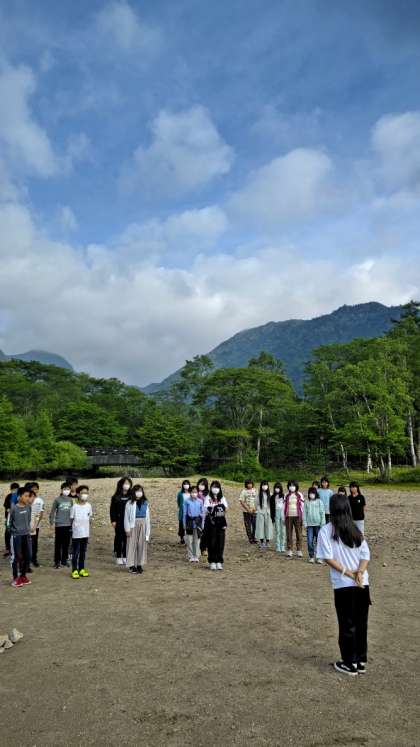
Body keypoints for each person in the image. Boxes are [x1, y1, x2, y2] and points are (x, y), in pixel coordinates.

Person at [316, 493, 371, 676]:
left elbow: (328, 558)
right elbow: (365, 556)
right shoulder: (356, 530)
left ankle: (350, 663)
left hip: (343, 585)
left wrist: (350, 573)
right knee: (361, 623)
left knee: (347, 624)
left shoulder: (326, 531)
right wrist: (360, 573)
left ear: (331, 509)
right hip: (363, 584)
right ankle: (360, 661)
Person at [8, 486, 34, 587]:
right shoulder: (13, 508)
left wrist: (27, 529)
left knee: (28, 556)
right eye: (25, 496)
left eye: (28, 496)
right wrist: (15, 531)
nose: (28, 498)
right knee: (17, 557)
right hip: (16, 536)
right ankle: (15, 578)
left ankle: (23, 576)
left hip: (26, 535)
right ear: (19, 496)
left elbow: (28, 520)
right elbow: (8, 524)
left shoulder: (28, 507)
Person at [124, 484, 151, 574]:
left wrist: (147, 532)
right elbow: (126, 517)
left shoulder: (145, 503)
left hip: (143, 525)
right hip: (133, 525)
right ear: (133, 492)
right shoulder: (129, 503)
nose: (139, 492)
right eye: (137, 491)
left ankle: (139, 564)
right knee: (131, 545)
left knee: (141, 545)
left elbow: (148, 518)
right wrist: (127, 529)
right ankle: (131, 565)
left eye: (140, 491)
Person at [204, 481, 228, 570]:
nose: (215, 489)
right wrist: (213, 510)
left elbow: (226, 508)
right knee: (212, 542)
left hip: (220, 522)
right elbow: (205, 509)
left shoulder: (222, 498)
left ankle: (219, 561)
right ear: (211, 488)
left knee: (220, 542)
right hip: (211, 522)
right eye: (214, 487)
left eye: (217, 487)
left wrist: (220, 511)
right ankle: (212, 561)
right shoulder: (208, 497)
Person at [70, 485, 92, 579]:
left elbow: (89, 517)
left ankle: (81, 569)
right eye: (83, 493)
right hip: (76, 533)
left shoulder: (89, 506)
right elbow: (71, 519)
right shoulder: (74, 506)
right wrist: (73, 529)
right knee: (75, 552)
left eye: (86, 493)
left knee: (83, 552)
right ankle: (74, 570)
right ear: (78, 494)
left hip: (85, 533)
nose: (85, 494)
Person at [50, 482, 73, 568]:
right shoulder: (57, 500)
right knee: (58, 544)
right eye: (65, 489)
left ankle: (64, 560)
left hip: (68, 524)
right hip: (59, 524)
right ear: (61, 490)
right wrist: (51, 520)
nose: (66, 490)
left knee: (66, 544)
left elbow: (73, 512)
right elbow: (53, 511)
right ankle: (57, 561)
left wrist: (73, 522)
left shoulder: (71, 500)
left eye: (68, 489)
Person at [110, 477, 132, 564]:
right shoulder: (115, 497)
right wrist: (113, 520)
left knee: (127, 538)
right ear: (121, 484)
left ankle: (125, 556)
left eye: (128, 483)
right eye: (125, 483)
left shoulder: (131, 496)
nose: (127, 485)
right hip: (119, 520)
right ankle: (119, 556)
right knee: (119, 538)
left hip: (128, 521)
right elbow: (112, 509)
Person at [303, 486, 325, 563]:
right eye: (310, 493)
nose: (311, 494)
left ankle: (319, 557)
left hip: (318, 525)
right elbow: (304, 513)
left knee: (319, 541)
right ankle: (311, 556)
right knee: (309, 541)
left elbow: (322, 513)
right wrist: (305, 523)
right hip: (309, 525)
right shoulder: (306, 502)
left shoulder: (319, 502)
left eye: (313, 493)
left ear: (316, 494)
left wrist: (322, 523)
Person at [182, 484, 203, 563]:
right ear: (190, 492)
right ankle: (190, 556)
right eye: (192, 492)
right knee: (189, 540)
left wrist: (202, 524)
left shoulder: (200, 501)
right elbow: (184, 513)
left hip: (197, 522)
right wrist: (184, 524)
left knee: (197, 540)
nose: (194, 493)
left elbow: (202, 513)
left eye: (195, 492)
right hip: (189, 522)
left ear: (198, 492)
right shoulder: (186, 501)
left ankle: (196, 556)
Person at [284, 480, 305, 558]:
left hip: (298, 516)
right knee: (289, 533)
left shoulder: (299, 495)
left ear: (296, 486)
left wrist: (303, 517)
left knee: (298, 533)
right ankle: (289, 549)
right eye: (290, 485)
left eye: (293, 485)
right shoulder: (286, 495)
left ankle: (299, 550)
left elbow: (302, 506)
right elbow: (283, 506)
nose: (292, 487)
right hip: (288, 516)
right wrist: (283, 517)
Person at [28, 482, 44, 568]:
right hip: (25, 526)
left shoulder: (40, 500)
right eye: (32, 489)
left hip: (35, 526)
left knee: (34, 543)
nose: (34, 490)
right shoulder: (26, 499)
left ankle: (34, 560)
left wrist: (36, 524)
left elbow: (40, 514)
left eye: (36, 489)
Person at [255, 480, 275, 549]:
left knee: (268, 527)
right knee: (260, 527)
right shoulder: (258, 494)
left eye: (265, 485)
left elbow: (272, 504)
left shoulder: (271, 494)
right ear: (261, 486)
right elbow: (256, 503)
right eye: (263, 485)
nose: (264, 486)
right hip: (261, 512)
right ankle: (262, 542)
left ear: (268, 486)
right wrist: (259, 510)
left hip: (268, 512)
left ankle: (267, 542)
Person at [239, 479, 257, 544]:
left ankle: (254, 537)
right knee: (248, 525)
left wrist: (256, 508)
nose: (249, 485)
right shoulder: (244, 491)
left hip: (255, 511)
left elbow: (258, 500)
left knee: (255, 524)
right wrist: (247, 509)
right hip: (246, 511)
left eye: (250, 484)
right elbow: (241, 501)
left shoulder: (255, 490)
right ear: (246, 484)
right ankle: (250, 538)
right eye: (248, 484)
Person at [3, 482, 19, 557]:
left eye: (16, 489)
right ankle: (7, 549)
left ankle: (16, 549)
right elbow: (6, 506)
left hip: (18, 518)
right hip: (9, 517)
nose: (14, 491)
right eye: (13, 489)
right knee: (7, 532)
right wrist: (9, 510)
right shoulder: (9, 496)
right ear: (11, 489)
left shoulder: (20, 497)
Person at [176, 480, 191, 545]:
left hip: (190, 511)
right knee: (181, 526)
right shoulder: (180, 493)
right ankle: (182, 539)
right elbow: (178, 502)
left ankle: (189, 540)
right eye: (184, 484)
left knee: (189, 526)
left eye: (187, 484)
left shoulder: (191, 493)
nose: (186, 485)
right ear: (182, 485)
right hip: (182, 512)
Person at [197, 478, 209, 555]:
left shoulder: (208, 494)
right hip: (197, 515)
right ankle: (197, 548)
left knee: (205, 532)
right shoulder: (195, 492)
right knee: (198, 531)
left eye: (203, 485)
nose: (201, 486)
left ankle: (204, 548)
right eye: (200, 484)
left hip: (206, 515)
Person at [273, 482, 285, 553]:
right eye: (276, 488)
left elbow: (285, 506)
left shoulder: (283, 496)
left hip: (282, 513)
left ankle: (282, 546)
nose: (277, 489)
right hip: (276, 513)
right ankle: (278, 546)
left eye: (278, 488)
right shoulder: (273, 496)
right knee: (277, 530)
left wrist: (285, 516)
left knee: (283, 531)